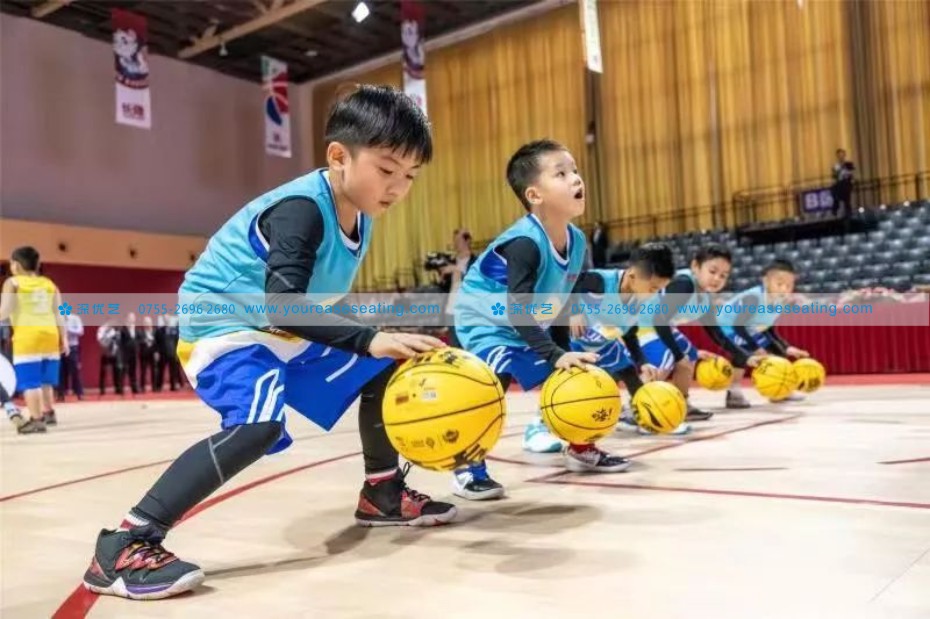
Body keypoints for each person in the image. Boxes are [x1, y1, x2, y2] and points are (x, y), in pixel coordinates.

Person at [82, 85, 455, 601]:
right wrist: (370, 337)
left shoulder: (360, 212)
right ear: (339, 156)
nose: (398, 187)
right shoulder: (301, 209)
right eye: (387, 169)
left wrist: (375, 344)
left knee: (384, 369)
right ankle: (123, 545)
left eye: (410, 176)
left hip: (274, 327)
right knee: (258, 425)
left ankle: (383, 493)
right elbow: (284, 304)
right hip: (223, 326)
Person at [451, 139, 631, 502]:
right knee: (491, 384)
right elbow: (518, 309)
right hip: (484, 320)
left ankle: (581, 447)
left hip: (526, 318)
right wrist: (553, 353)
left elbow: (560, 304)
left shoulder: (576, 241)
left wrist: (562, 356)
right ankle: (467, 467)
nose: (576, 179)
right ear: (534, 195)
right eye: (561, 174)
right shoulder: (525, 242)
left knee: (575, 375)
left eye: (575, 170)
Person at [567, 243, 684, 434]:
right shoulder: (600, 282)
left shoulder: (639, 301)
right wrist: (574, 311)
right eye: (653, 288)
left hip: (603, 344)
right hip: (571, 343)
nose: (654, 294)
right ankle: (542, 423)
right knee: (565, 388)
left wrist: (642, 362)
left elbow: (630, 334)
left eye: (659, 290)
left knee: (630, 372)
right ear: (633, 275)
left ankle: (644, 418)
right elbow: (568, 282)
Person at [638, 244, 751, 428]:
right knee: (668, 356)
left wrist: (744, 355)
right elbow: (659, 318)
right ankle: (635, 407)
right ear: (695, 267)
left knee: (689, 354)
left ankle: (682, 404)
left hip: (656, 325)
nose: (717, 278)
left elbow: (716, 334)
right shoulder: (684, 284)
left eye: (723, 275)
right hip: (636, 322)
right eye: (712, 271)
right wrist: (677, 354)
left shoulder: (705, 299)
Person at [718, 259, 810, 408]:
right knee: (745, 350)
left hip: (749, 327)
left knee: (778, 352)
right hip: (727, 326)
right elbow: (739, 327)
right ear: (766, 281)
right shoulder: (753, 298)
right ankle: (733, 393)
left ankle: (780, 392)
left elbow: (768, 329)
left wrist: (786, 347)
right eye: (779, 284)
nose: (784, 289)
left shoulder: (780, 301)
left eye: (789, 285)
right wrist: (756, 347)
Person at [0, 246, 67, 433]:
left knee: (30, 382)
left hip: (28, 336)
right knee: (46, 380)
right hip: (50, 335)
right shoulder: (50, 284)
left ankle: (37, 420)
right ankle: (49, 412)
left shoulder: (13, 283)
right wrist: (64, 337)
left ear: (16, 265)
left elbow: (5, 310)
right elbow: (60, 312)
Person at [58, 311, 85, 400]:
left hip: (73, 347)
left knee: (75, 370)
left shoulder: (75, 318)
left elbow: (81, 331)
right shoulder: (57, 319)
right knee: (61, 371)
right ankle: (61, 394)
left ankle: (79, 393)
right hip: (60, 347)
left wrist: (68, 329)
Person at [97, 322, 123, 395]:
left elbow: (119, 340)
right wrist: (109, 339)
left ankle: (117, 388)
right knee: (103, 371)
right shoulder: (102, 329)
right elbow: (100, 340)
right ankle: (102, 389)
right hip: (105, 353)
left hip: (114, 353)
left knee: (116, 371)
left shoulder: (115, 330)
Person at [831, 148, 855, 217]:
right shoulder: (835, 166)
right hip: (839, 183)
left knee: (847, 199)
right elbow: (834, 176)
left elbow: (852, 173)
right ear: (837, 156)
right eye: (839, 155)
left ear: (844, 155)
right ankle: (835, 211)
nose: (841, 157)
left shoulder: (849, 164)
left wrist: (851, 178)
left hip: (847, 183)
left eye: (842, 155)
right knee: (836, 198)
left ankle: (848, 212)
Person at [137, 316, 158, 392]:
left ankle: (155, 387)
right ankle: (142, 387)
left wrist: (157, 352)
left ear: (151, 323)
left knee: (154, 371)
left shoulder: (155, 331)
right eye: (145, 322)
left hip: (153, 353)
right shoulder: (140, 332)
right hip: (144, 354)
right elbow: (138, 342)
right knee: (143, 371)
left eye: (148, 322)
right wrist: (145, 340)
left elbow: (158, 342)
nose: (147, 324)